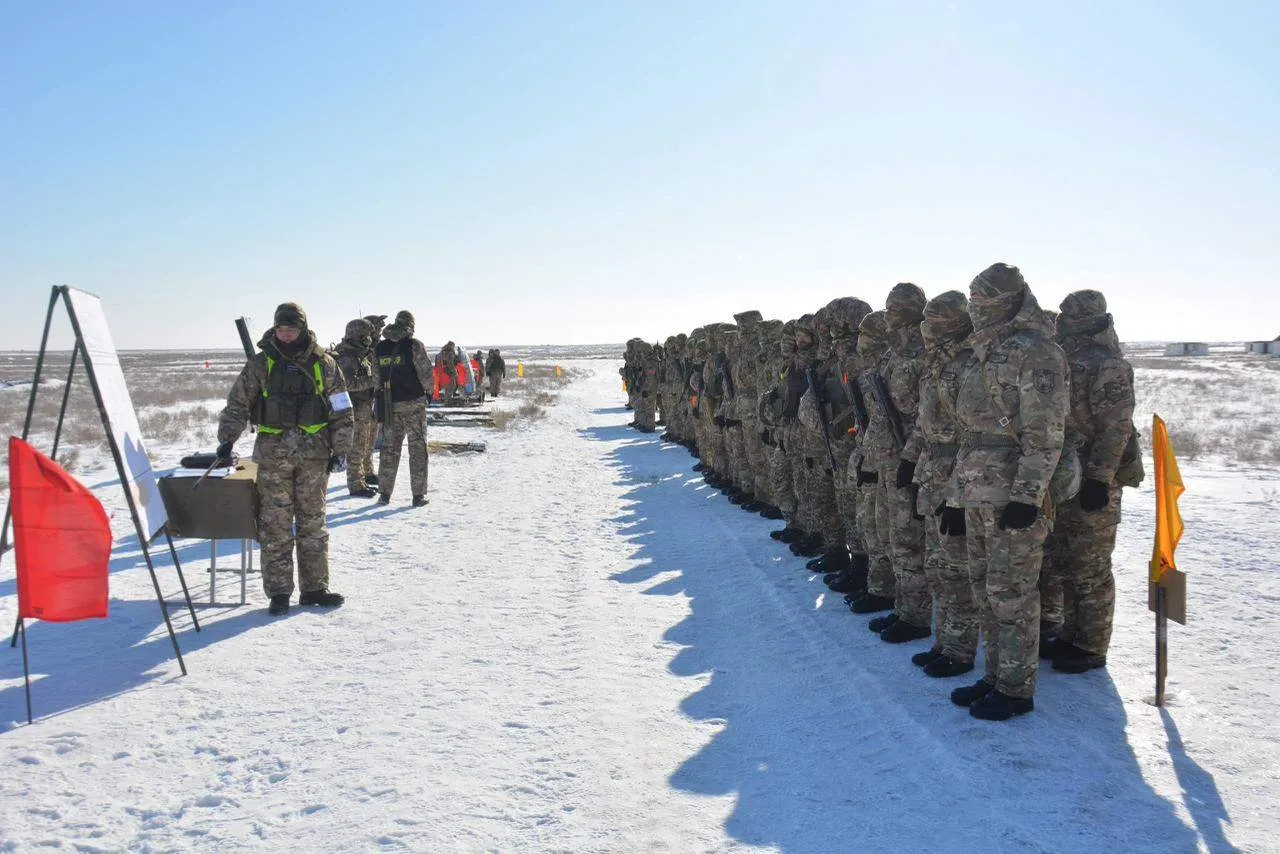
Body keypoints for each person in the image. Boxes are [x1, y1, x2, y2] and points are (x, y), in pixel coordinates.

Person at [948, 263, 1068, 721]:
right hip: (977, 488)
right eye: (974, 300)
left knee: (1012, 593)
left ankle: (1017, 688)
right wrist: (957, 497)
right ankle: (996, 675)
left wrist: (1027, 496)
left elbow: (1045, 431)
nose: (976, 309)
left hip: (1012, 493)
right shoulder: (986, 350)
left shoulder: (1035, 352)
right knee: (985, 589)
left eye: (985, 301)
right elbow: (968, 432)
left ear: (1008, 301)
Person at [216, 302, 352, 616]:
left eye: (292, 330)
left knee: (312, 524)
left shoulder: (325, 364)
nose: (287, 335)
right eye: (282, 330)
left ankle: (315, 588)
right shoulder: (261, 365)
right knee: (274, 527)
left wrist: (341, 450)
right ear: (275, 329)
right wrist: (227, 439)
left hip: (314, 456)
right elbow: (238, 403)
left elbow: (343, 411)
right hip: (272, 457)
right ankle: (278, 593)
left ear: (302, 329)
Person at [1043, 290, 1142, 673]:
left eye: (1070, 314)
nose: (1063, 318)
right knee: (1064, 559)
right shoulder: (1064, 356)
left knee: (1091, 566)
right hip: (1066, 474)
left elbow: (1115, 428)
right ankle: (1071, 634)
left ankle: (1092, 645)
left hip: (1094, 476)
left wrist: (1100, 478)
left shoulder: (1108, 364)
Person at [375, 310, 434, 507]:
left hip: (389, 406)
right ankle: (418, 495)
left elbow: (376, 378)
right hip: (414, 405)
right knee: (418, 450)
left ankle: (384, 493)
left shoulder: (380, 347)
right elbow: (426, 372)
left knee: (389, 450)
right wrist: (429, 392)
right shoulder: (414, 345)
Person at [333, 318, 379, 498]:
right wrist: (373, 380)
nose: (368, 339)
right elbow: (349, 384)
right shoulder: (346, 357)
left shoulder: (361, 354)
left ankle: (365, 475)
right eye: (365, 336)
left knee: (365, 445)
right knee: (356, 448)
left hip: (364, 407)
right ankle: (355, 484)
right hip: (353, 409)